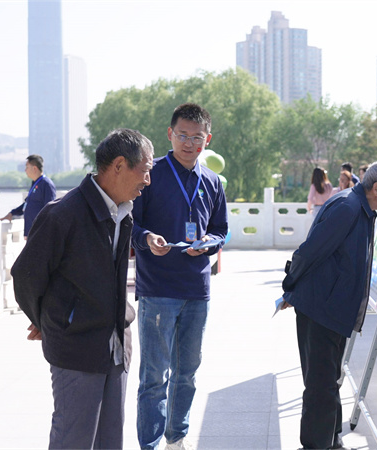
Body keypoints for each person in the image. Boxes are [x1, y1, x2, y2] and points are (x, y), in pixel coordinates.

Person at [11, 129, 154, 448]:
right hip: (76, 347)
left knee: (110, 440)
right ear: (119, 166)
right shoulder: (63, 214)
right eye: (145, 170)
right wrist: (47, 321)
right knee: (73, 440)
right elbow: (25, 276)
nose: (147, 180)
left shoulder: (123, 211)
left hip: (116, 346)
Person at [281, 159, 377, 449]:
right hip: (320, 309)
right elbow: (310, 251)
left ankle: (331, 441)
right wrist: (290, 287)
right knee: (320, 385)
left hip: (333, 309)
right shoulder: (348, 207)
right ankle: (315, 445)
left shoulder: (361, 207)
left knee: (329, 381)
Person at [133, 103, 228, 450]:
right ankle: (150, 444)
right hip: (158, 289)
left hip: (197, 290)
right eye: (183, 135)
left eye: (197, 137)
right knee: (154, 377)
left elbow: (221, 230)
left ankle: (176, 438)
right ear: (170, 134)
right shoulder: (150, 175)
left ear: (207, 139)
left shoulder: (212, 181)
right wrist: (147, 238)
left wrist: (209, 243)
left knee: (186, 374)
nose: (189, 143)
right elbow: (129, 224)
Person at [0, 154, 57, 237]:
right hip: (31, 232)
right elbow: (28, 204)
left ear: (34, 168)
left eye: (27, 167)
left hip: (40, 233)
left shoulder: (46, 184)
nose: (25, 170)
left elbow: (50, 210)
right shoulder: (35, 183)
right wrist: (12, 213)